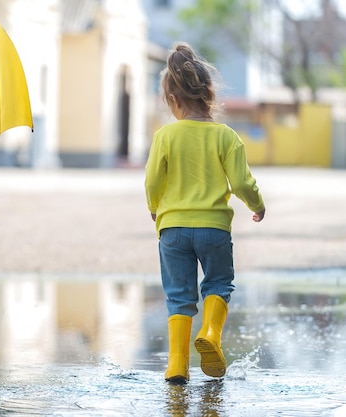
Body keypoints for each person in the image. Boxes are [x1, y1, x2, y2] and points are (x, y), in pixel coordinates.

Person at [144, 42, 265, 384]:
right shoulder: (226, 136)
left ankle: (177, 365)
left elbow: (153, 180)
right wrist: (257, 205)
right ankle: (211, 335)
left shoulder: (165, 136)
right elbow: (242, 182)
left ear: (172, 99)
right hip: (213, 229)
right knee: (218, 284)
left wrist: (156, 209)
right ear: (208, 94)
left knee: (179, 296)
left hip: (173, 229)